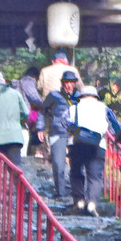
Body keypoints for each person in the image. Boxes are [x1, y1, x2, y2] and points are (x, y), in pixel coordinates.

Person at [68, 81, 121, 215]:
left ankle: (79, 201)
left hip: (77, 144)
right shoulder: (104, 108)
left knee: (76, 173)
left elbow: (65, 125)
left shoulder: (73, 108)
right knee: (95, 177)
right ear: (95, 97)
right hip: (98, 145)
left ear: (81, 96)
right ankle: (91, 204)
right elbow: (118, 128)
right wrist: (118, 141)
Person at [0, 68, 29, 182]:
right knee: (15, 167)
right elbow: (26, 113)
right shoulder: (16, 93)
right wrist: (17, 122)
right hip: (14, 135)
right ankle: (23, 195)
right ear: (4, 80)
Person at [42, 68, 78, 198]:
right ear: (62, 83)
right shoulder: (54, 96)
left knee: (78, 164)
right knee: (58, 163)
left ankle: (77, 192)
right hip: (58, 131)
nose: (69, 85)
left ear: (75, 83)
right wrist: (42, 127)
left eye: (71, 82)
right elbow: (43, 110)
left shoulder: (80, 97)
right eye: (66, 82)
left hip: (76, 133)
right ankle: (60, 192)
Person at [17, 68, 46, 157]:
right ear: (36, 76)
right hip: (26, 114)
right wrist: (45, 104)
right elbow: (35, 98)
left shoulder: (17, 83)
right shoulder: (28, 81)